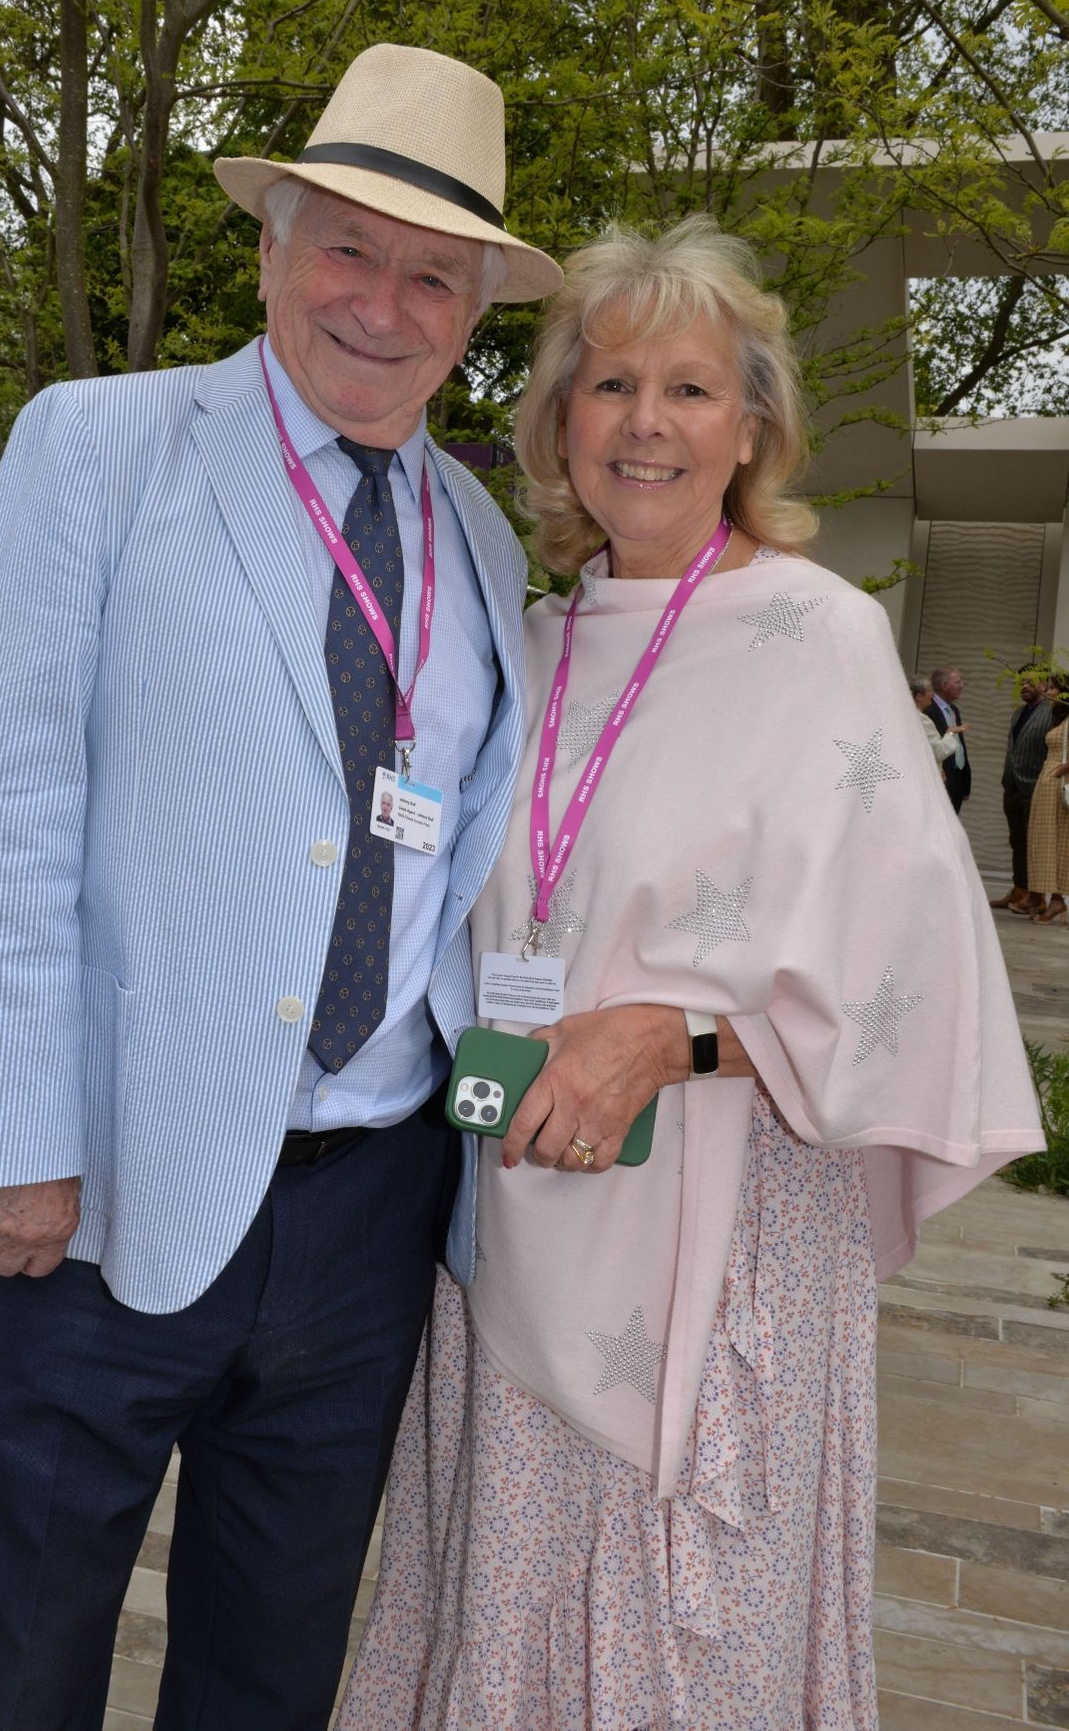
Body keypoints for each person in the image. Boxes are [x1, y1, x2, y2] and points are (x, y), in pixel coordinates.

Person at [0, 44, 562, 1730]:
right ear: (271, 249)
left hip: (369, 1214)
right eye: (347, 249)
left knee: (269, 1681)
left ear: (477, 311)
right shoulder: (99, 449)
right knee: (13, 1676)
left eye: (433, 275)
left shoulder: (485, 542)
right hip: (94, 1190)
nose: (382, 306)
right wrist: (14, 1140)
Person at [336, 220, 1042, 1730]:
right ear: (558, 425)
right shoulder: (521, 643)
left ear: (752, 429)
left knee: (683, 1639)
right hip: (515, 1200)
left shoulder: (819, 638)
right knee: (503, 1600)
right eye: (609, 385)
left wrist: (683, 1038)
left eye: (690, 389)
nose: (645, 423)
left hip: (726, 1229)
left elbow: (921, 964)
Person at [993, 670, 1051, 913]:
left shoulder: (1051, 712)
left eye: (1029, 682)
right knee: (1017, 842)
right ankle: (1019, 890)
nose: (1024, 686)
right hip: (1012, 787)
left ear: (1044, 684)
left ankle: (1036, 896)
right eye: (1021, 682)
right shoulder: (1018, 712)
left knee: (1033, 844)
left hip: (1034, 788)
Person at [1026, 684, 1069, 925]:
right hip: (1048, 783)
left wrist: (1062, 769)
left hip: (1059, 783)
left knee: (1059, 841)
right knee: (1045, 841)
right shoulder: (1059, 716)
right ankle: (1046, 896)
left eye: (1052, 687)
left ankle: (1057, 899)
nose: (1048, 691)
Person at [923, 663, 971, 812]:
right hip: (940, 777)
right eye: (958, 682)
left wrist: (965, 782)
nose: (962, 686)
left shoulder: (954, 709)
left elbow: (959, 745)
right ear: (944, 686)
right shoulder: (928, 709)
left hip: (958, 778)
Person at [910, 672, 969, 770]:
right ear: (919, 696)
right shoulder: (922, 720)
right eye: (930, 691)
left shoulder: (908, 716)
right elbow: (938, 752)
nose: (933, 695)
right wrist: (950, 732)